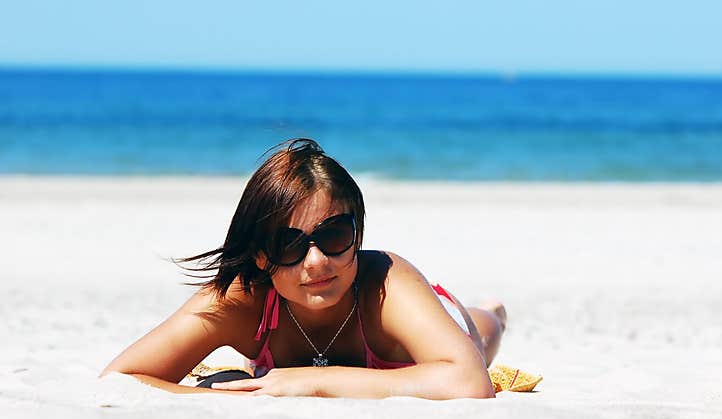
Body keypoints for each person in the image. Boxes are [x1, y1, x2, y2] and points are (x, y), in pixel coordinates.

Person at [100, 138, 508, 399]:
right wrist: (231, 397)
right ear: (260, 255)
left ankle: (494, 311)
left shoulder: (387, 282)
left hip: (437, 317)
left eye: (333, 236)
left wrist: (309, 382)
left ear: (357, 233)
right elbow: (122, 377)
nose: (317, 261)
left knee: (482, 332)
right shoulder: (240, 301)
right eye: (289, 245)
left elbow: (471, 382)